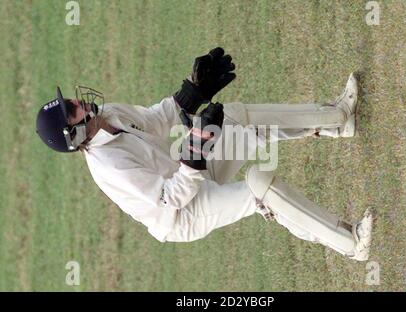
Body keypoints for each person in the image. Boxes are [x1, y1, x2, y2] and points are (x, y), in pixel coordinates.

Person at [35, 47, 373, 261]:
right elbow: (171, 198)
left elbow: (156, 120)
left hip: (189, 171)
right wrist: (195, 151)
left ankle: (336, 119)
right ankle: (351, 242)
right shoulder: (110, 168)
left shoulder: (107, 114)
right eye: (71, 110)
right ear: (75, 133)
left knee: (236, 116)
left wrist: (193, 91)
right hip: (185, 214)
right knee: (260, 188)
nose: (77, 102)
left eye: (70, 101)